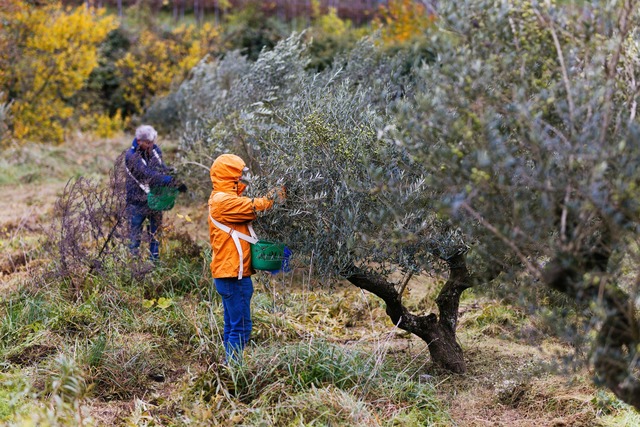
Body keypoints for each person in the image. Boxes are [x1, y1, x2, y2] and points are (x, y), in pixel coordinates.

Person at [208, 154, 284, 362]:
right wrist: (282, 191)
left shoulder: (222, 197)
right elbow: (260, 205)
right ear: (230, 175)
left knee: (232, 325)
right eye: (239, 174)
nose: (242, 177)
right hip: (233, 275)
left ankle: (227, 368)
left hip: (229, 272)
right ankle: (233, 371)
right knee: (241, 327)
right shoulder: (224, 201)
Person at [124, 125, 186, 261]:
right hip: (137, 201)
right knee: (135, 235)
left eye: (153, 142)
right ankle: (132, 264)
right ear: (139, 141)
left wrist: (175, 177)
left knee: (155, 233)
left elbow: (160, 168)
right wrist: (168, 180)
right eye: (148, 143)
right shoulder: (131, 156)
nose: (152, 145)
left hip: (155, 198)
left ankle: (154, 262)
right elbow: (147, 174)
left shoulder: (154, 150)